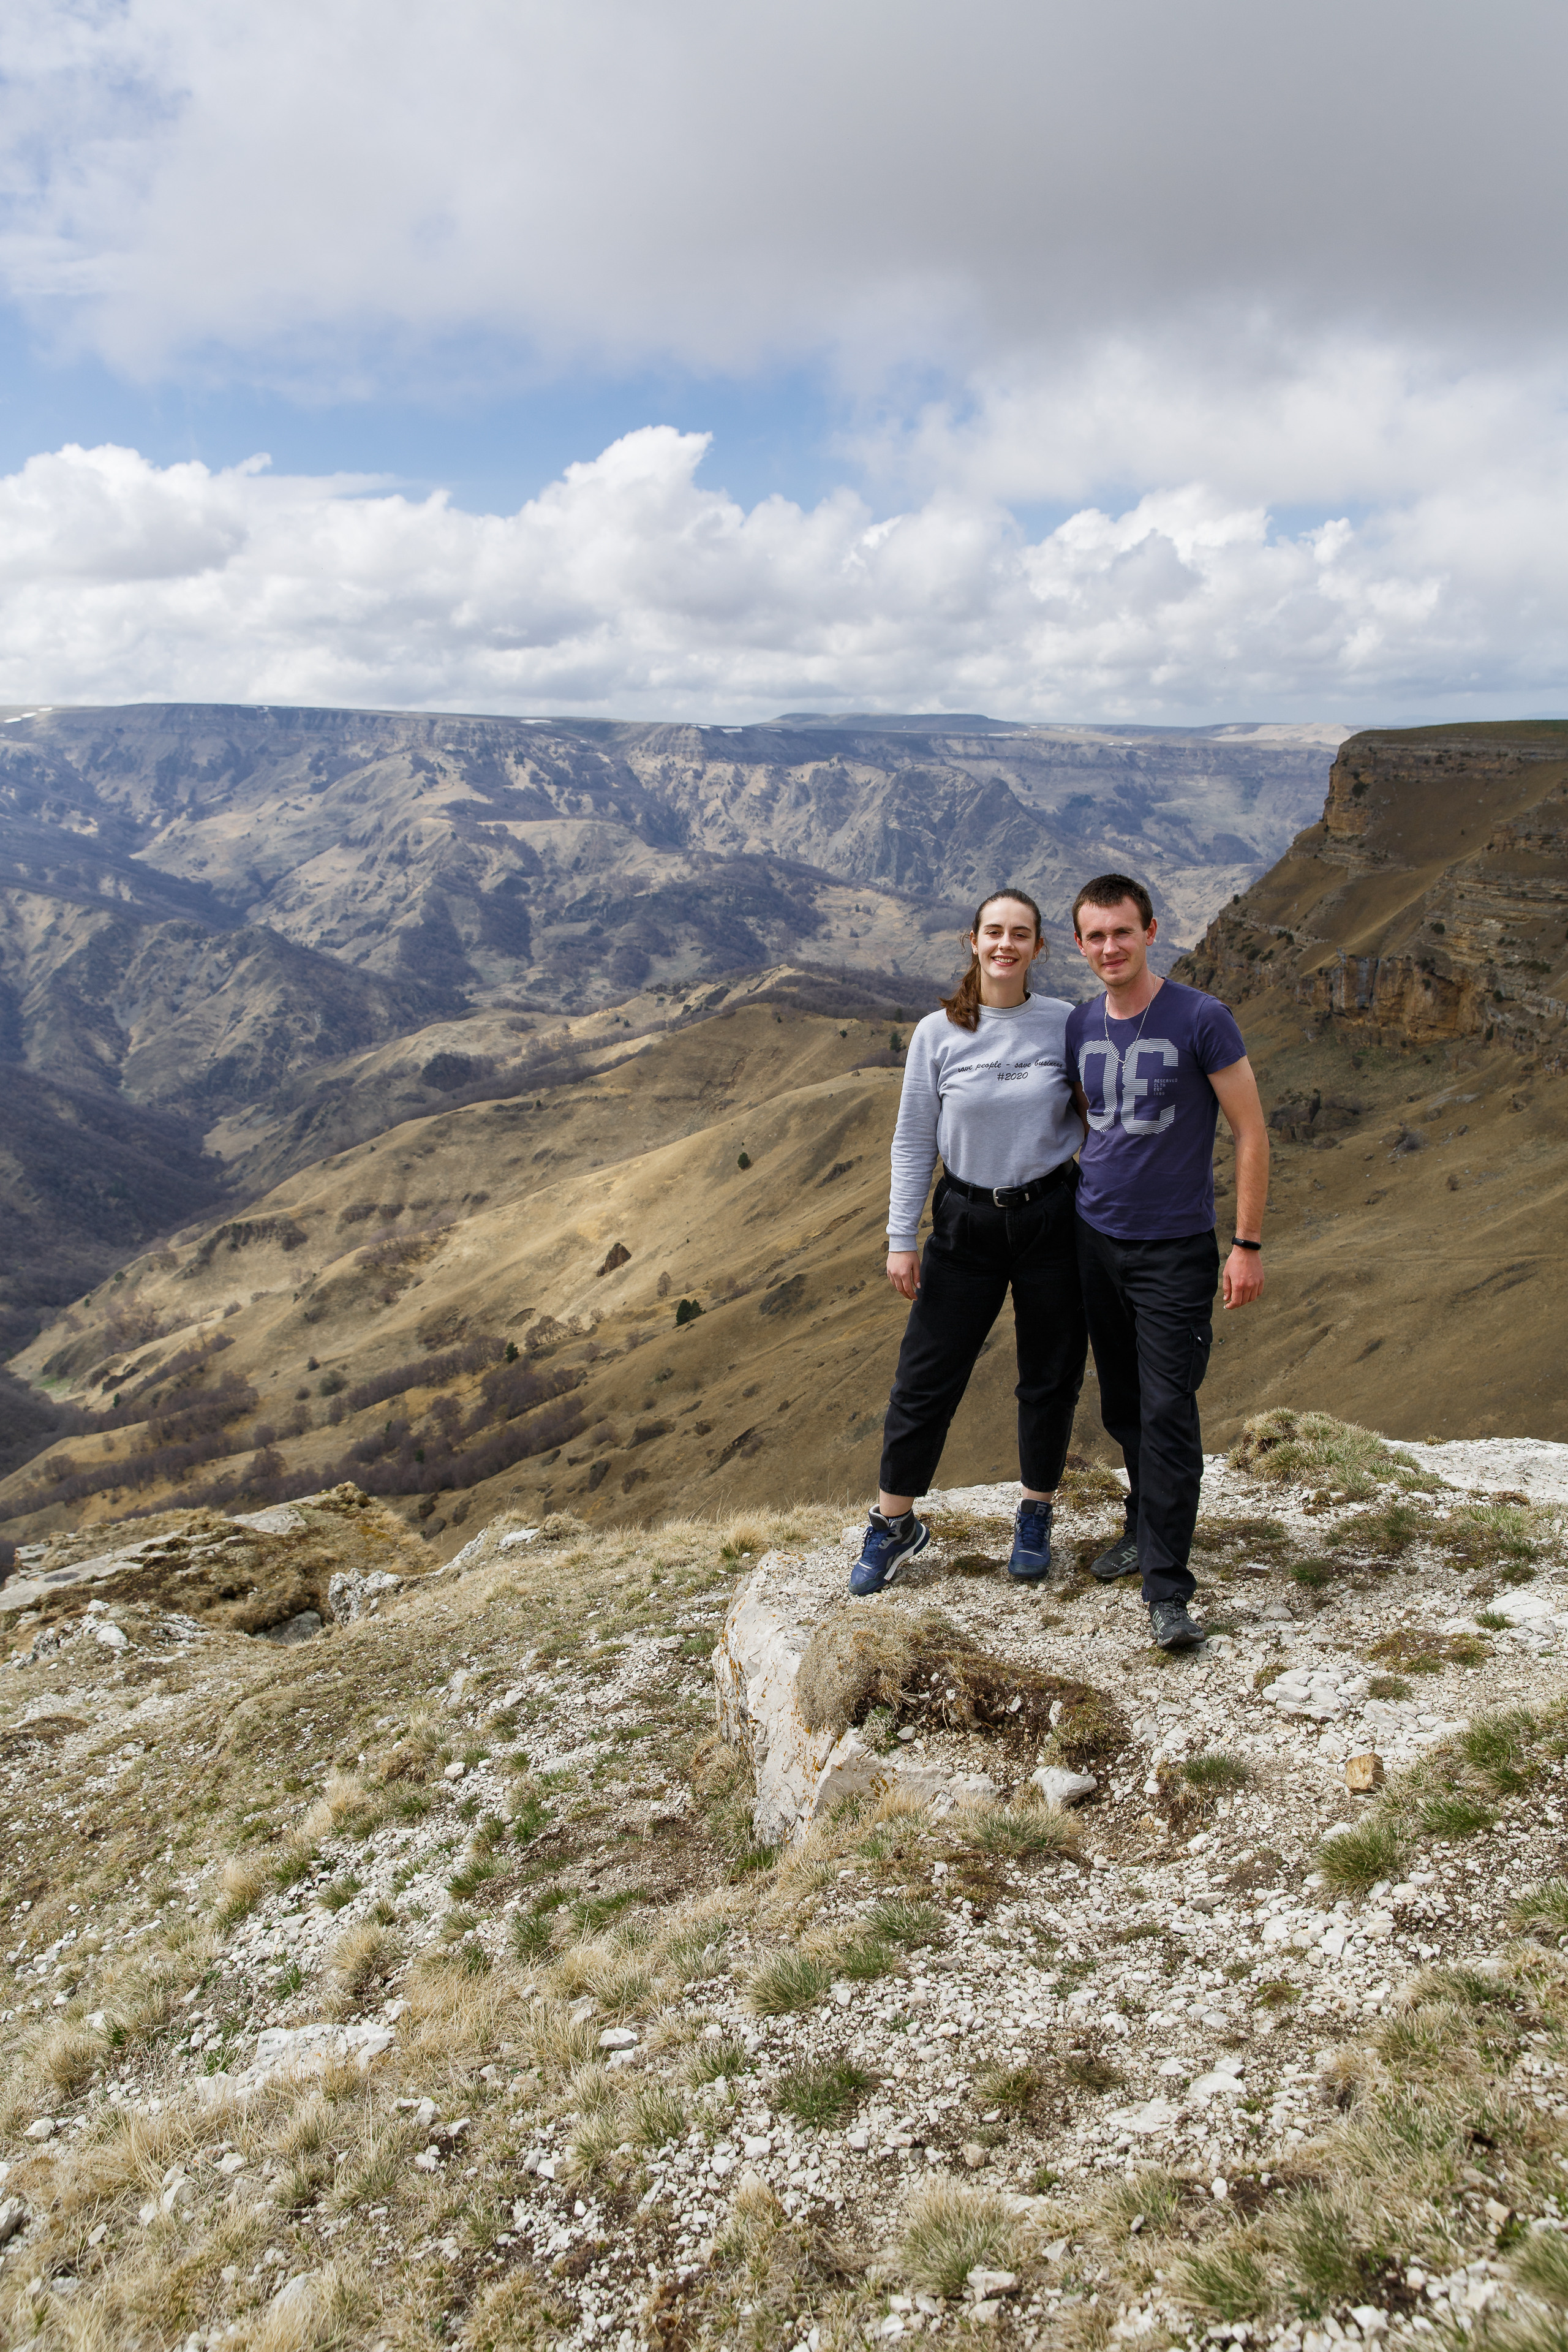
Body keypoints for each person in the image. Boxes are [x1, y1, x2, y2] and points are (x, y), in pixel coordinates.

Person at [850, 888, 1088, 1596]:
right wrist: (901, 1238)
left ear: (1038, 948)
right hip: (965, 1220)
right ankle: (894, 1522)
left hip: (1052, 1217)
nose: (1005, 945)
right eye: (993, 932)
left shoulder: (1066, 1024)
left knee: (1049, 1375)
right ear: (974, 942)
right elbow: (914, 1139)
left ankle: (1036, 1510)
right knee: (925, 1377)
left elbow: (1095, 1117)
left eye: (1020, 934)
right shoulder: (937, 1033)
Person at [1065, 873, 1268, 1650]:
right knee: (1122, 1405)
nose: (1109, 947)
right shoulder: (1082, 1023)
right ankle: (1142, 1529)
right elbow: (1095, 1121)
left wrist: (1245, 1245)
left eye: (1122, 931)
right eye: (1095, 936)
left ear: (1151, 931)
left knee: (1167, 1412)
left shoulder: (1201, 1017)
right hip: (1095, 1240)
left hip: (1174, 1250)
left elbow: (1250, 1132)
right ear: (1080, 944)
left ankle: (1168, 1590)